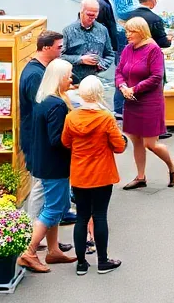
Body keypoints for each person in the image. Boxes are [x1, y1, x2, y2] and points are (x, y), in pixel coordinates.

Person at [61, 76, 126, 276]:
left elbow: (65, 142)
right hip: (102, 174)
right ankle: (103, 261)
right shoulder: (105, 117)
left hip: (80, 174)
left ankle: (81, 263)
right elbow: (119, 147)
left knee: (81, 217)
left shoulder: (71, 117)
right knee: (99, 216)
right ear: (98, 93)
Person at [19, 58, 78, 274]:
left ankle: (53, 250)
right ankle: (30, 252)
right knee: (54, 209)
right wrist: (77, 141)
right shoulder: (58, 105)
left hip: (43, 162)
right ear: (60, 78)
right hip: (55, 166)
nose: (71, 80)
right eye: (69, 76)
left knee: (51, 206)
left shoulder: (43, 100)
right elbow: (58, 139)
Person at [115, 18, 174, 191]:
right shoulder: (128, 49)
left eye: (131, 31)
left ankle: (173, 165)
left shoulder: (153, 50)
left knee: (150, 144)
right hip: (131, 101)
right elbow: (119, 71)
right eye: (127, 31)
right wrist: (123, 87)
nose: (127, 35)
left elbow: (156, 77)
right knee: (136, 140)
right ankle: (140, 176)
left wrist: (134, 89)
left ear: (141, 31)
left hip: (149, 102)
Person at [20, 30, 65, 219]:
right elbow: (41, 107)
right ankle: (34, 231)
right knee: (40, 186)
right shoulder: (35, 75)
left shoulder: (39, 70)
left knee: (41, 186)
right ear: (46, 47)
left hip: (37, 135)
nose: (61, 50)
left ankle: (42, 229)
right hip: (36, 137)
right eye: (59, 47)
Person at [61, 0, 116, 89]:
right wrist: (80, 59)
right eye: (89, 15)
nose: (92, 18)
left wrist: (101, 64)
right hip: (73, 81)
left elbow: (110, 54)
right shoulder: (68, 31)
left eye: (94, 16)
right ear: (81, 11)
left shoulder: (102, 30)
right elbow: (60, 56)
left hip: (95, 80)